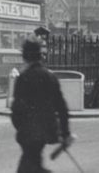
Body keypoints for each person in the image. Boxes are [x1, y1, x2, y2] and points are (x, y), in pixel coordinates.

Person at [11, 39, 72, 173]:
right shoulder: (51, 77)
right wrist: (65, 132)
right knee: (32, 165)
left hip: (27, 133)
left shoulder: (23, 78)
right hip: (46, 131)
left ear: (25, 56)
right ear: (40, 56)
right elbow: (62, 108)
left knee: (28, 168)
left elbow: (16, 110)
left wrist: (20, 127)